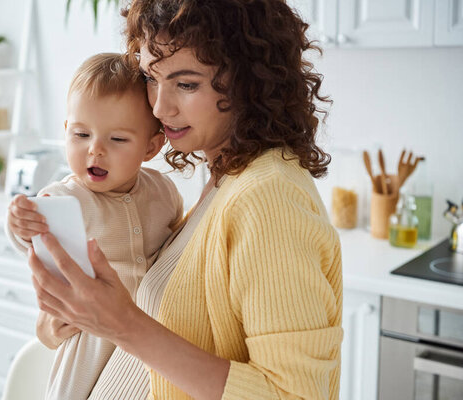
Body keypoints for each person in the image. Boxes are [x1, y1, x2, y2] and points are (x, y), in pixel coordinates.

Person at [28, 0, 343, 399]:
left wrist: (122, 324)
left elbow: (294, 395)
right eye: (151, 78)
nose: (160, 107)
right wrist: (66, 322)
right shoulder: (224, 182)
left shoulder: (268, 199)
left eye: (186, 83)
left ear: (252, 79)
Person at [5, 53, 184, 399]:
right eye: (81, 134)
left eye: (117, 140)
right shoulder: (63, 199)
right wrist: (18, 221)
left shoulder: (163, 191)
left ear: (151, 146)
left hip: (149, 337)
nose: (95, 150)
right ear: (66, 131)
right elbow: (29, 237)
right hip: (87, 341)